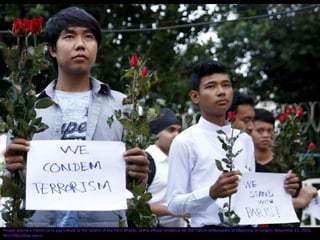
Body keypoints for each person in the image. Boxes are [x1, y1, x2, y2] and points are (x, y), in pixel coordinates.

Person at [3, 6, 149, 227]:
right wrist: (12, 167)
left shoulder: (124, 106)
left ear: (97, 47)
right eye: (69, 36)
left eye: (88, 36)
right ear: (52, 49)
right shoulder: (27, 109)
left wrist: (140, 173)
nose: (80, 44)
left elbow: (136, 185)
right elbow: (11, 185)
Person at [166, 59, 256, 228]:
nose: (221, 92)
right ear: (195, 96)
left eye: (226, 85)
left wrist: (284, 187)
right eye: (211, 86)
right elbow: (173, 205)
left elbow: (252, 191)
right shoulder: (185, 141)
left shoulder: (244, 139)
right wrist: (210, 193)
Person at [252, 108, 317, 217]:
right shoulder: (244, 164)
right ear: (250, 130)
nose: (265, 135)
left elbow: (297, 200)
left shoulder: (286, 164)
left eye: (270, 130)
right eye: (260, 130)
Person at [145, 108, 189, 227]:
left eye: (178, 130)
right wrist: (174, 211)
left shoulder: (180, 158)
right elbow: (133, 204)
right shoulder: (146, 160)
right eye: (171, 130)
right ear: (156, 134)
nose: (177, 135)